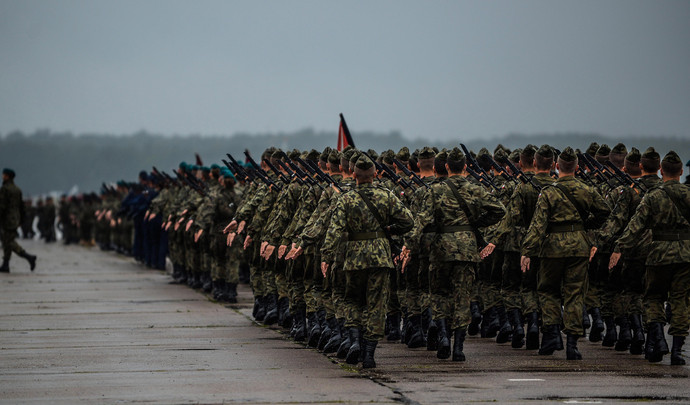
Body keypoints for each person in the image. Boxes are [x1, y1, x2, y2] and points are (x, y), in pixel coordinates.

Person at [321, 154, 414, 368]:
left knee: (353, 301)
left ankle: (354, 342)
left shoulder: (346, 198)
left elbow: (334, 231)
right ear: (375, 175)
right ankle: (369, 354)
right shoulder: (387, 196)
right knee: (376, 304)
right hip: (380, 257)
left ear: (353, 175)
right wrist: (390, 229)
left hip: (354, 258)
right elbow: (408, 221)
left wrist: (326, 256)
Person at [521, 147, 611, 360]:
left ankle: (552, 335)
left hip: (552, 248)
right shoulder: (586, 189)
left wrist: (527, 250)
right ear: (577, 168)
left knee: (548, 291)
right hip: (579, 246)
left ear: (557, 167)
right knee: (574, 293)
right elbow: (605, 211)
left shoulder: (549, 192)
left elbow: (538, 224)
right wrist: (584, 225)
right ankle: (572, 344)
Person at [611, 151, 690, 365]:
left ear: (662, 171)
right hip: (685, 254)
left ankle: (658, 339)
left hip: (658, 253)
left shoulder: (653, 195)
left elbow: (635, 226)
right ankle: (677, 350)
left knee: (653, 297)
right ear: (681, 172)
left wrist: (619, 247)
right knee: (680, 300)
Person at [0, 168, 37, 273]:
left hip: (7, 219)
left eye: (4, 175)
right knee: (7, 241)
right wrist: (22, 219)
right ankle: (5, 264)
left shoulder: (5, 189)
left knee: (8, 242)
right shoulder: (17, 189)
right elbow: (22, 206)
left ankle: (29, 257)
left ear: (7, 176)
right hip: (15, 219)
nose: (2, 176)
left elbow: (2, 206)